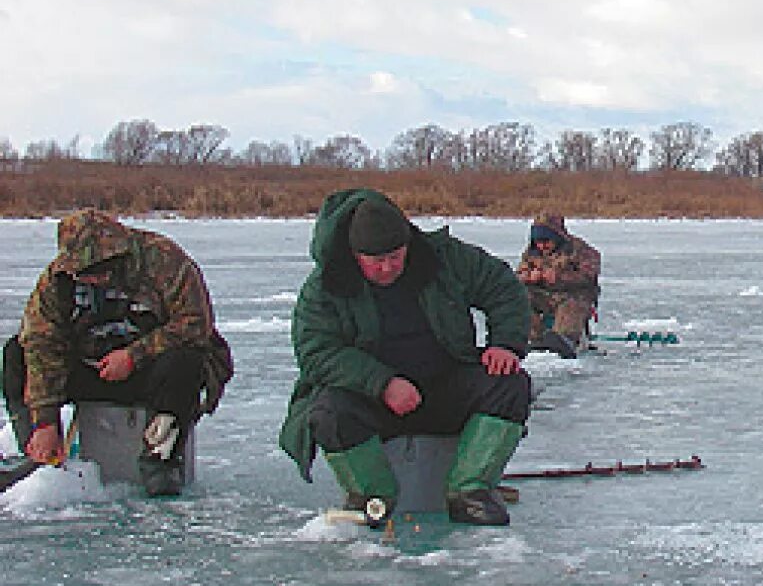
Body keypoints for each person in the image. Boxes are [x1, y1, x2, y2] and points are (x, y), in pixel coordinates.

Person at [278, 190, 533, 527]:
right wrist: (382, 383)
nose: (388, 269)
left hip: (444, 388)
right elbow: (317, 352)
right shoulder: (323, 286)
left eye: (396, 257)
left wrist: (505, 344)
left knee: (510, 384)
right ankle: (373, 496)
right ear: (355, 255)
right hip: (372, 403)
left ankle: (469, 490)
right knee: (327, 411)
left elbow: (503, 288)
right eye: (375, 262)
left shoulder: (445, 258)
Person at [2, 209, 232, 496]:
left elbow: (196, 323)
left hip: (150, 374)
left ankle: (162, 455)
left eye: (96, 272)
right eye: (82, 275)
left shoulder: (165, 260)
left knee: (187, 361)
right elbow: (41, 340)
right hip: (92, 369)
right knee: (17, 352)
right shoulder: (57, 280)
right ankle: (39, 451)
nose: (90, 280)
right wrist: (45, 418)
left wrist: (133, 356)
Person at [516, 213, 601, 359]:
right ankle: (532, 337)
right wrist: (528, 277)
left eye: (546, 241)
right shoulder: (531, 253)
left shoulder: (580, 250)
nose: (542, 246)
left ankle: (564, 339)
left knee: (572, 305)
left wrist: (559, 277)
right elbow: (519, 273)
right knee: (519, 298)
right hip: (542, 296)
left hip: (572, 296)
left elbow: (588, 277)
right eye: (538, 242)